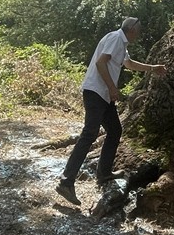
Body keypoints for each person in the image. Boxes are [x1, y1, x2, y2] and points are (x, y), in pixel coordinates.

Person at [56, 17, 166, 206]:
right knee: (89, 134)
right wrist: (112, 88)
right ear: (130, 29)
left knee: (115, 130)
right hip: (97, 92)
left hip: (103, 94)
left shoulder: (119, 42)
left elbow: (128, 63)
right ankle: (66, 182)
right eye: (137, 32)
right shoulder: (116, 39)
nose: (138, 35)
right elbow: (100, 63)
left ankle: (104, 173)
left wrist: (152, 68)